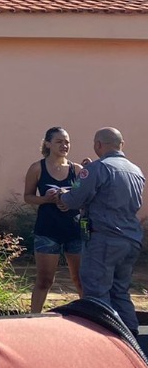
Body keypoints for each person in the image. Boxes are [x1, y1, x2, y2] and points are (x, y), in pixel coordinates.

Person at [55, 127, 145, 334]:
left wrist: (61, 195)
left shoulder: (97, 168)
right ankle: (131, 337)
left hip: (104, 238)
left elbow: (75, 199)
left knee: (96, 293)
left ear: (98, 145)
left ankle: (104, 338)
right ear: (121, 145)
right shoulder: (135, 170)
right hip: (130, 238)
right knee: (120, 291)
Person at [22, 126, 84, 313]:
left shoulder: (77, 170)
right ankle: (33, 318)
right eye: (59, 141)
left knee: (81, 279)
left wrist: (71, 202)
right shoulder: (37, 168)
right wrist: (46, 199)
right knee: (45, 280)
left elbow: (85, 197)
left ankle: (92, 319)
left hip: (74, 231)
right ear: (48, 144)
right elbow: (28, 197)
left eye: (67, 141)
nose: (64, 145)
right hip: (48, 230)